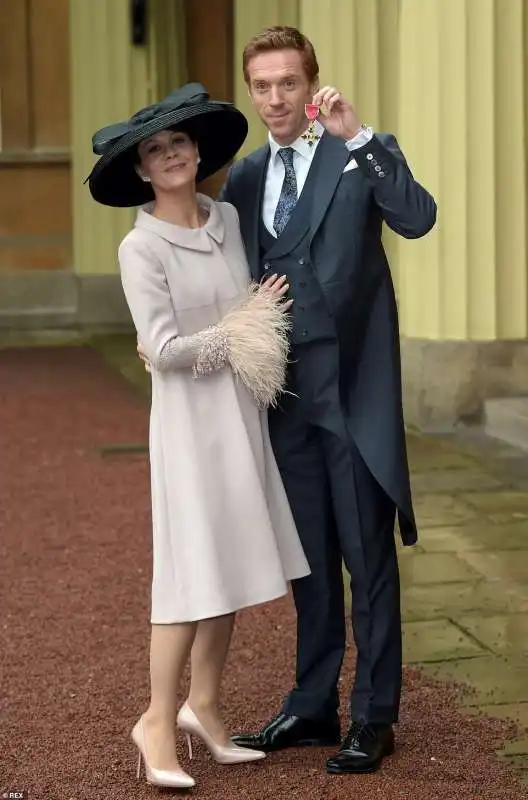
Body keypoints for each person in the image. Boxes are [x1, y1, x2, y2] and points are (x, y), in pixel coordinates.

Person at [219, 27, 437, 775]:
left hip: (355, 388)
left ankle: (374, 717)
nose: (275, 98)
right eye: (262, 86)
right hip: (283, 394)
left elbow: (418, 216)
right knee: (308, 559)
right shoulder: (245, 179)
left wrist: (362, 135)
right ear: (251, 91)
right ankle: (313, 704)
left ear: (311, 86)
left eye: (287, 83)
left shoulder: (356, 151)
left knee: (367, 554)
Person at [86, 82, 310, 791]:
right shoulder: (140, 249)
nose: (171, 155)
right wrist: (241, 329)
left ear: (197, 151)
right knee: (188, 576)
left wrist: (250, 322)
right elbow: (161, 348)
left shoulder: (228, 217)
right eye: (155, 150)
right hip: (188, 428)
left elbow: (247, 305)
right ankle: (155, 719)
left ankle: (204, 709)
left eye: (178, 143)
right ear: (142, 172)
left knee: (235, 564)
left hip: (240, 416)